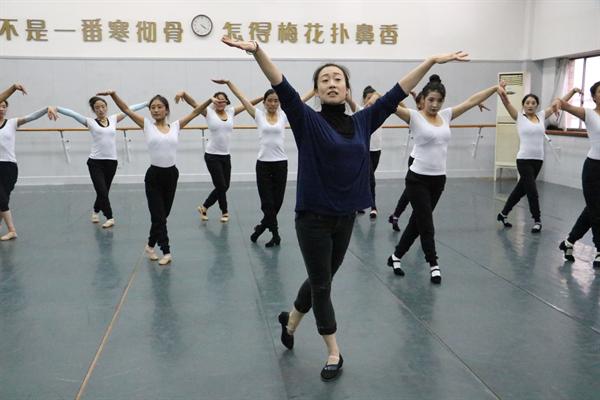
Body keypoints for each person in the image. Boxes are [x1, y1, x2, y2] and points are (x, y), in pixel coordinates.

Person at [223, 34, 468, 381]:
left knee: (320, 278)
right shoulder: (307, 120)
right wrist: (257, 52)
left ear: (347, 88)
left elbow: (397, 92)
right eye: (324, 79)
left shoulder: (363, 121)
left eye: (337, 78)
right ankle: (334, 351)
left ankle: (290, 322)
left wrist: (430, 61)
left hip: (345, 217)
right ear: (318, 90)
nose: (331, 83)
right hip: (312, 219)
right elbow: (280, 83)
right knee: (323, 286)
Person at [387, 75, 500, 283]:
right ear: (423, 99)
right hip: (417, 179)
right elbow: (388, 103)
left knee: (416, 223)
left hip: (438, 180)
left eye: (439, 100)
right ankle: (433, 264)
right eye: (431, 100)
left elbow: (471, 101)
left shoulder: (446, 115)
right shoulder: (414, 116)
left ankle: (396, 256)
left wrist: (494, 88)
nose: (435, 104)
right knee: (427, 225)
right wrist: (375, 98)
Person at [97, 90, 210, 265]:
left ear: (166, 110)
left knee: (163, 216)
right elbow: (126, 109)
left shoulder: (176, 126)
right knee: (159, 217)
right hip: (154, 177)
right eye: (152, 107)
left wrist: (210, 100)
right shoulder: (147, 125)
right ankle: (166, 251)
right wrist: (113, 95)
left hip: (171, 175)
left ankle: (150, 246)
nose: (155, 110)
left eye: (159, 107)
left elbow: (195, 112)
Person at [213, 79, 314, 246]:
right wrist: (229, 83)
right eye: (270, 101)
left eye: (276, 101)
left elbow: (300, 100)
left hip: (281, 164)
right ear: (264, 102)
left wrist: (315, 90)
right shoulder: (258, 115)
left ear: (279, 102)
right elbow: (242, 98)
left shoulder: (284, 115)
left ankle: (260, 229)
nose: (273, 104)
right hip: (263, 165)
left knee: (277, 203)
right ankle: (276, 235)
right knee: (267, 203)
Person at [48, 97, 148, 228]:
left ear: (106, 107)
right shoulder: (89, 122)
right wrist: (56, 108)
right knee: (102, 191)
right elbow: (72, 114)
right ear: (93, 110)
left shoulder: (113, 119)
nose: (100, 109)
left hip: (111, 162)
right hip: (95, 163)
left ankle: (95, 211)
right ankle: (109, 217)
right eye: (97, 108)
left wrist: (146, 103)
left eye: (103, 106)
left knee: (104, 191)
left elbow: (130, 109)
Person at [496, 83, 581, 233]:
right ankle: (537, 220)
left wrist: (573, 91)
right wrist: (501, 90)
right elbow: (506, 102)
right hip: (523, 160)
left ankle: (503, 214)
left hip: (538, 160)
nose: (530, 105)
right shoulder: (519, 117)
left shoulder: (541, 116)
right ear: (523, 105)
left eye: (533, 103)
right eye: (527, 103)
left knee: (520, 190)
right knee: (532, 191)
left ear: (537, 105)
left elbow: (560, 103)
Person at [175, 89, 262, 223]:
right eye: (217, 100)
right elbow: (194, 104)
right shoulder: (208, 112)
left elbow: (248, 104)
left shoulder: (231, 112)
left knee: (225, 186)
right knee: (221, 186)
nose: (220, 102)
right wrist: (184, 94)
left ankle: (204, 207)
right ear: (214, 102)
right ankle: (224, 211)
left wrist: (263, 97)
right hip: (212, 156)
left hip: (225, 155)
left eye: (223, 100)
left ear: (227, 102)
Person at [554, 81, 600, 269]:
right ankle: (599, 250)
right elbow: (562, 104)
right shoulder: (588, 113)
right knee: (596, 211)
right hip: (593, 168)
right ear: (594, 96)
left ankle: (568, 242)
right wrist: (559, 102)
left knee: (592, 209)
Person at [0, 86, 55, 241]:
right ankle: (12, 230)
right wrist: (13, 88)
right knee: (1, 198)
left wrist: (47, 108)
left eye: (4, 106)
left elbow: (31, 117)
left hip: (9, 166)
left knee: (4, 198)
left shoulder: (12, 123)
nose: (1, 109)